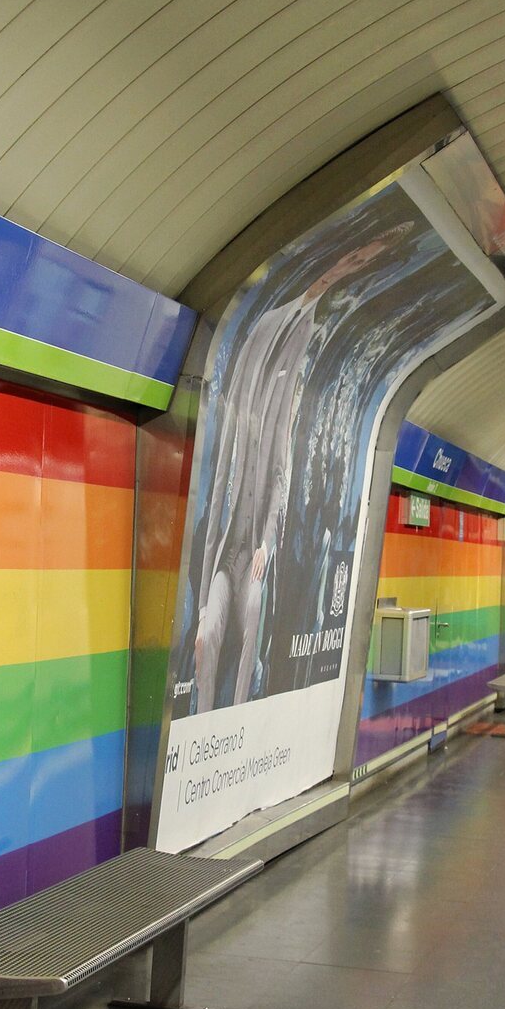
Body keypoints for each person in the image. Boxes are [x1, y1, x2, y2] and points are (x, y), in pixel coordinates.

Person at [191, 236, 396, 712]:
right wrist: (202, 601)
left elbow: (282, 470)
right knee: (210, 629)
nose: (353, 262)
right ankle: (203, 718)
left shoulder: (306, 334)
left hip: (253, 549)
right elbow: (221, 476)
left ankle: (237, 716)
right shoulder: (271, 322)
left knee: (253, 615)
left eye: (363, 259)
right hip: (225, 551)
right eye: (357, 252)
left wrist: (266, 541)